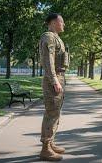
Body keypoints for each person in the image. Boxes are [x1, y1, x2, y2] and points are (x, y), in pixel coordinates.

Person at [39, 13, 69, 161]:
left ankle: (50, 143)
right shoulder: (49, 36)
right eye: (61, 21)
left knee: (55, 113)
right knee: (51, 113)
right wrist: (54, 80)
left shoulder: (57, 38)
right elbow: (48, 60)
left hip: (59, 77)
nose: (63, 24)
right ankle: (45, 148)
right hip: (54, 78)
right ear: (53, 22)